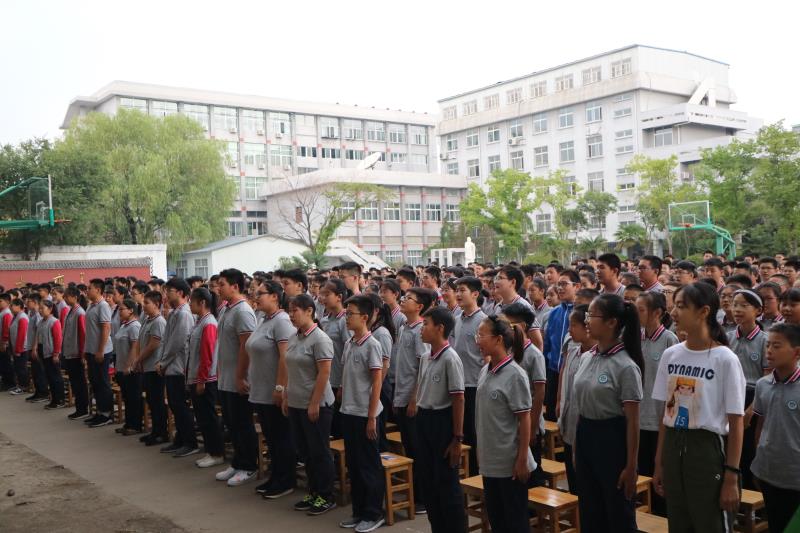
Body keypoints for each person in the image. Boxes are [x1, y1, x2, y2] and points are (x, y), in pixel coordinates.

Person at [652, 282, 746, 533]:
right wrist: (659, 461)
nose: (673, 312)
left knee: (710, 523)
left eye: (681, 306)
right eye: (674, 305)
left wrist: (731, 476)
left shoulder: (725, 359)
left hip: (706, 450)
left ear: (704, 311)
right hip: (673, 445)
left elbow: (736, 422)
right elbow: (667, 414)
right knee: (679, 523)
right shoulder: (671, 355)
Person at [574, 294, 643, 532]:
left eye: (592, 316)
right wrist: (578, 447)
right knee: (590, 509)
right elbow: (581, 406)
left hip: (612, 439)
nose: (586, 321)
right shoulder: (586, 357)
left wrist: (631, 465)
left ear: (612, 322)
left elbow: (633, 421)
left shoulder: (626, 366)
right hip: (586, 434)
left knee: (617, 512)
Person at [474, 315, 535, 533]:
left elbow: (524, 418)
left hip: (510, 463)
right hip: (491, 460)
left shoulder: (515, 374)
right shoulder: (486, 369)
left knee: (514, 522)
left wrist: (522, 459)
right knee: (497, 519)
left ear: (498, 339)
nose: (477, 340)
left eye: (481, 335)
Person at [285, 294, 337, 516]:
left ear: (309, 311)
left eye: (295, 310)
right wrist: (286, 396)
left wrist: (314, 403)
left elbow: (324, 373)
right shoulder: (294, 337)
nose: (291, 315)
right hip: (296, 402)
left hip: (316, 405)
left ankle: (326, 495)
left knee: (319, 451)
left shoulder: (320, 339)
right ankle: (313, 491)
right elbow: (290, 370)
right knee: (305, 451)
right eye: (289, 310)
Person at [337, 295, 385, 532]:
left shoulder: (372, 344)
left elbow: (377, 381)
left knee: (368, 466)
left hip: (366, 414)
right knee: (354, 465)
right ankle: (358, 511)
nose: (346, 317)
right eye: (346, 313)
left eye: (350, 314)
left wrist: (371, 417)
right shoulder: (349, 342)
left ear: (364, 317)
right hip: (349, 410)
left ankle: (374, 513)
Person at [415, 306, 466, 533]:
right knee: (428, 481)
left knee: (446, 483)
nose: (421, 328)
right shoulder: (426, 357)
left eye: (426, 324)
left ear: (440, 328)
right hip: (424, 420)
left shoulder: (450, 358)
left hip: (442, 423)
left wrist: (457, 438)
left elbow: (458, 399)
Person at [246, 280, 296, 498]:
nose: (256, 297)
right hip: (260, 390)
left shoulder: (282, 322)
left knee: (281, 437)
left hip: (273, 390)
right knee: (271, 437)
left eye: (261, 293)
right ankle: (275, 476)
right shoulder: (263, 319)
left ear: (275, 296)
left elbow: (285, 357)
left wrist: (280, 387)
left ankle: (285, 480)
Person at [751, 323, 800, 533]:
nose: (769, 350)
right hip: (768, 471)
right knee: (776, 524)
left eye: (777, 346)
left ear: (796, 352)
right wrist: (758, 459)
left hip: (795, 476)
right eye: (768, 345)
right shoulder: (763, 384)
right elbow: (760, 426)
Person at [214, 268, 259, 487]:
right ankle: (237, 462)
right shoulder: (226, 309)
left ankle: (249, 465)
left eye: (222, 284)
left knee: (242, 423)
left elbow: (246, 346)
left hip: (238, 378)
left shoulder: (243, 311)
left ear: (235, 286)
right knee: (231, 423)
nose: (218, 288)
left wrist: (241, 377)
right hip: (225, 377)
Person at [394, 287, 436, 514]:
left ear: (419, 306)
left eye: (408, 298)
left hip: (413, 399)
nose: (403, 300)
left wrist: (413, 399)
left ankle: (424, 497)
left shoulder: (421, 330)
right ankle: (415, 491)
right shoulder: (403, 327)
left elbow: (423, 367)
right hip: (401, 395)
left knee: (418, 449)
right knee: (408, 446)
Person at [636, 291, 678, 514]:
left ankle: (661, 519)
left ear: (657, 313)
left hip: (659, 419)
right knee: (641, 474)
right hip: (638, 416)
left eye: (641, 310)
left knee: (658, 474)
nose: (636, 314)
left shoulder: (669, 340)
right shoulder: (635, 337)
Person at [500, 302, 547, 486]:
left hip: (530, 421)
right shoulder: (509, 350)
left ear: (521, 326)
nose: (504, 330)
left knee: (530, 469)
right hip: (512, 422)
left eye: (507, 325)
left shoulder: (534, 354)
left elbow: (539, 393)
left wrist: (533, 426)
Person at [727, 289, 769, 489]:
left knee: (748, 452)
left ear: (758, 310)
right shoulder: (727, 338)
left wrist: (751, 411)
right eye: (735, 304)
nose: (737, 309)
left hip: (752, 399)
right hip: (730, 396)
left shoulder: (765, 340)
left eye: (744, 305)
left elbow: (767, 380)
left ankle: (750, 496)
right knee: (729, 449)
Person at [157, 278, 198, 457]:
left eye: (169, 291)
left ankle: (190, 442)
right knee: (174, 404)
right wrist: (162, 360)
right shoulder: (174, 313)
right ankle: (180, 439)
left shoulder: (184, 314)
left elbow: (178, 342)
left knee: (180, 405)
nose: (166, 295)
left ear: (181, 293)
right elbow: (166, 340)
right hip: (170, 365)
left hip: (179, 367)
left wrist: (164, 362)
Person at [187, 287, 225, 469]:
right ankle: (210, 451)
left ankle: (217, 453)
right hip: (197, 377)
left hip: (206, 380)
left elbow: (207, 354)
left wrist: (202, 379)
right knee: (202, 417)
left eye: (192, 301)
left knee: (209, 417)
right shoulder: (200, 321)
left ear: (202, 302)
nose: (189, 304)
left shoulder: (209, 323)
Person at [556, 304, 592, 494]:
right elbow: (565, 385)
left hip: (586, 427)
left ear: (587, 327)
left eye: (573, 325)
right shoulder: (573, 352)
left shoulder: (595, 356)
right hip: (570, 422)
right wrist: (560, 405)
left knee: (587, 484)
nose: (569, 330)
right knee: (573, 480)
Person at [132, 290, 168, 445]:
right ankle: (155, 431)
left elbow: (154, 345)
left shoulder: (159, 322)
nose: (144, 305)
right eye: (144, 302)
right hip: (146, 366)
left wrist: (138, 359)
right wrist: (139, 360)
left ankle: (162, 433)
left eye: (147, 303)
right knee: (151, 401)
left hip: (155, 368)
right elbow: (140, 342)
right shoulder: (147, 320)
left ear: (157, 304)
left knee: (157, 401)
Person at [542, 270, 578, 421]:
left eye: (564, 284)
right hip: (553, 370)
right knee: (551, 413)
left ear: (577, 286)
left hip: (572, 371)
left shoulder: (581, 312)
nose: (560, 288)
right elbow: (547, 343)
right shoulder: (554, 312)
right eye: (558, 285)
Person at [83, 279, 114, 427]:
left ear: (98, 290)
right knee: (94, 382)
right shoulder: (91, 305)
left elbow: (106, 328)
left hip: (101, 351)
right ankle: (99, 412)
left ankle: (107, 414)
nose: (87, 290)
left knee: (102, 382)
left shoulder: (103, 306)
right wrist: (87, 349)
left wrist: (100, 350)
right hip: (91, 350)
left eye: (90, 288)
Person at [112, 298, 142, 435]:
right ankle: (128, 423)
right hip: (121, 367)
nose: (119, 312)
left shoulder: (135, 326)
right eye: (119, 309)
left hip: (130, 369)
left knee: (133, 397)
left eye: (122, 309)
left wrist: (129, 366)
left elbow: (135, 347)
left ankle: (135, 425)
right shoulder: (124, 325)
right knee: (127, 397)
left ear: (131, 310)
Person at [33, 299, 65, 408]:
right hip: (43, 351)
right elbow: (37, 336)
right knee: (49, 377)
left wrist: (56, 354)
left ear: (50, 309)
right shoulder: (41, 322)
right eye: (39, 308)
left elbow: (58, 339)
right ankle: (54, 399)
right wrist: (35, 348)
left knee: (55, 377)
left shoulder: (54, 321)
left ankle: (59, 400)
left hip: (52, 353)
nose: (40, 310)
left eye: (42, 308)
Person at [62, 287, 88, 419]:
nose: (65, 299)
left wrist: (83, 353)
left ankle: (82, 409)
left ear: (75, 297)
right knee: (74, 382)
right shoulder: (71, 311)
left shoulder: (80, 313)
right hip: (70, 352)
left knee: (79, 383)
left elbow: (82, 334)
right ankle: (79, 408)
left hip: (77, 353)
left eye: (67, 296)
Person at [24, 294, 48, 402]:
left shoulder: (38, 315)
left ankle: (43, 393)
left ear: (34, 302)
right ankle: (38, 392)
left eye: (29, 301)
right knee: (35, 371)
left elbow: (39, 333)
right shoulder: (32, 314)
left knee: (39, 371)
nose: (26, 303)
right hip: (31, 346)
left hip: (36, 347)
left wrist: (35, 347)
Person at [7, 298, 29, 396]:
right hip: (16, 347)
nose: (10, 307)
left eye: (12, 305)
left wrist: (18, 349)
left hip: (21, 348)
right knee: (17, 367)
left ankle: (23, 386)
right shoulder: (16, 316)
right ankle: (19, 385)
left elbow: (22, 335)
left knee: (21, 368)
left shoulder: (22, 317)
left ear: (18, 306)